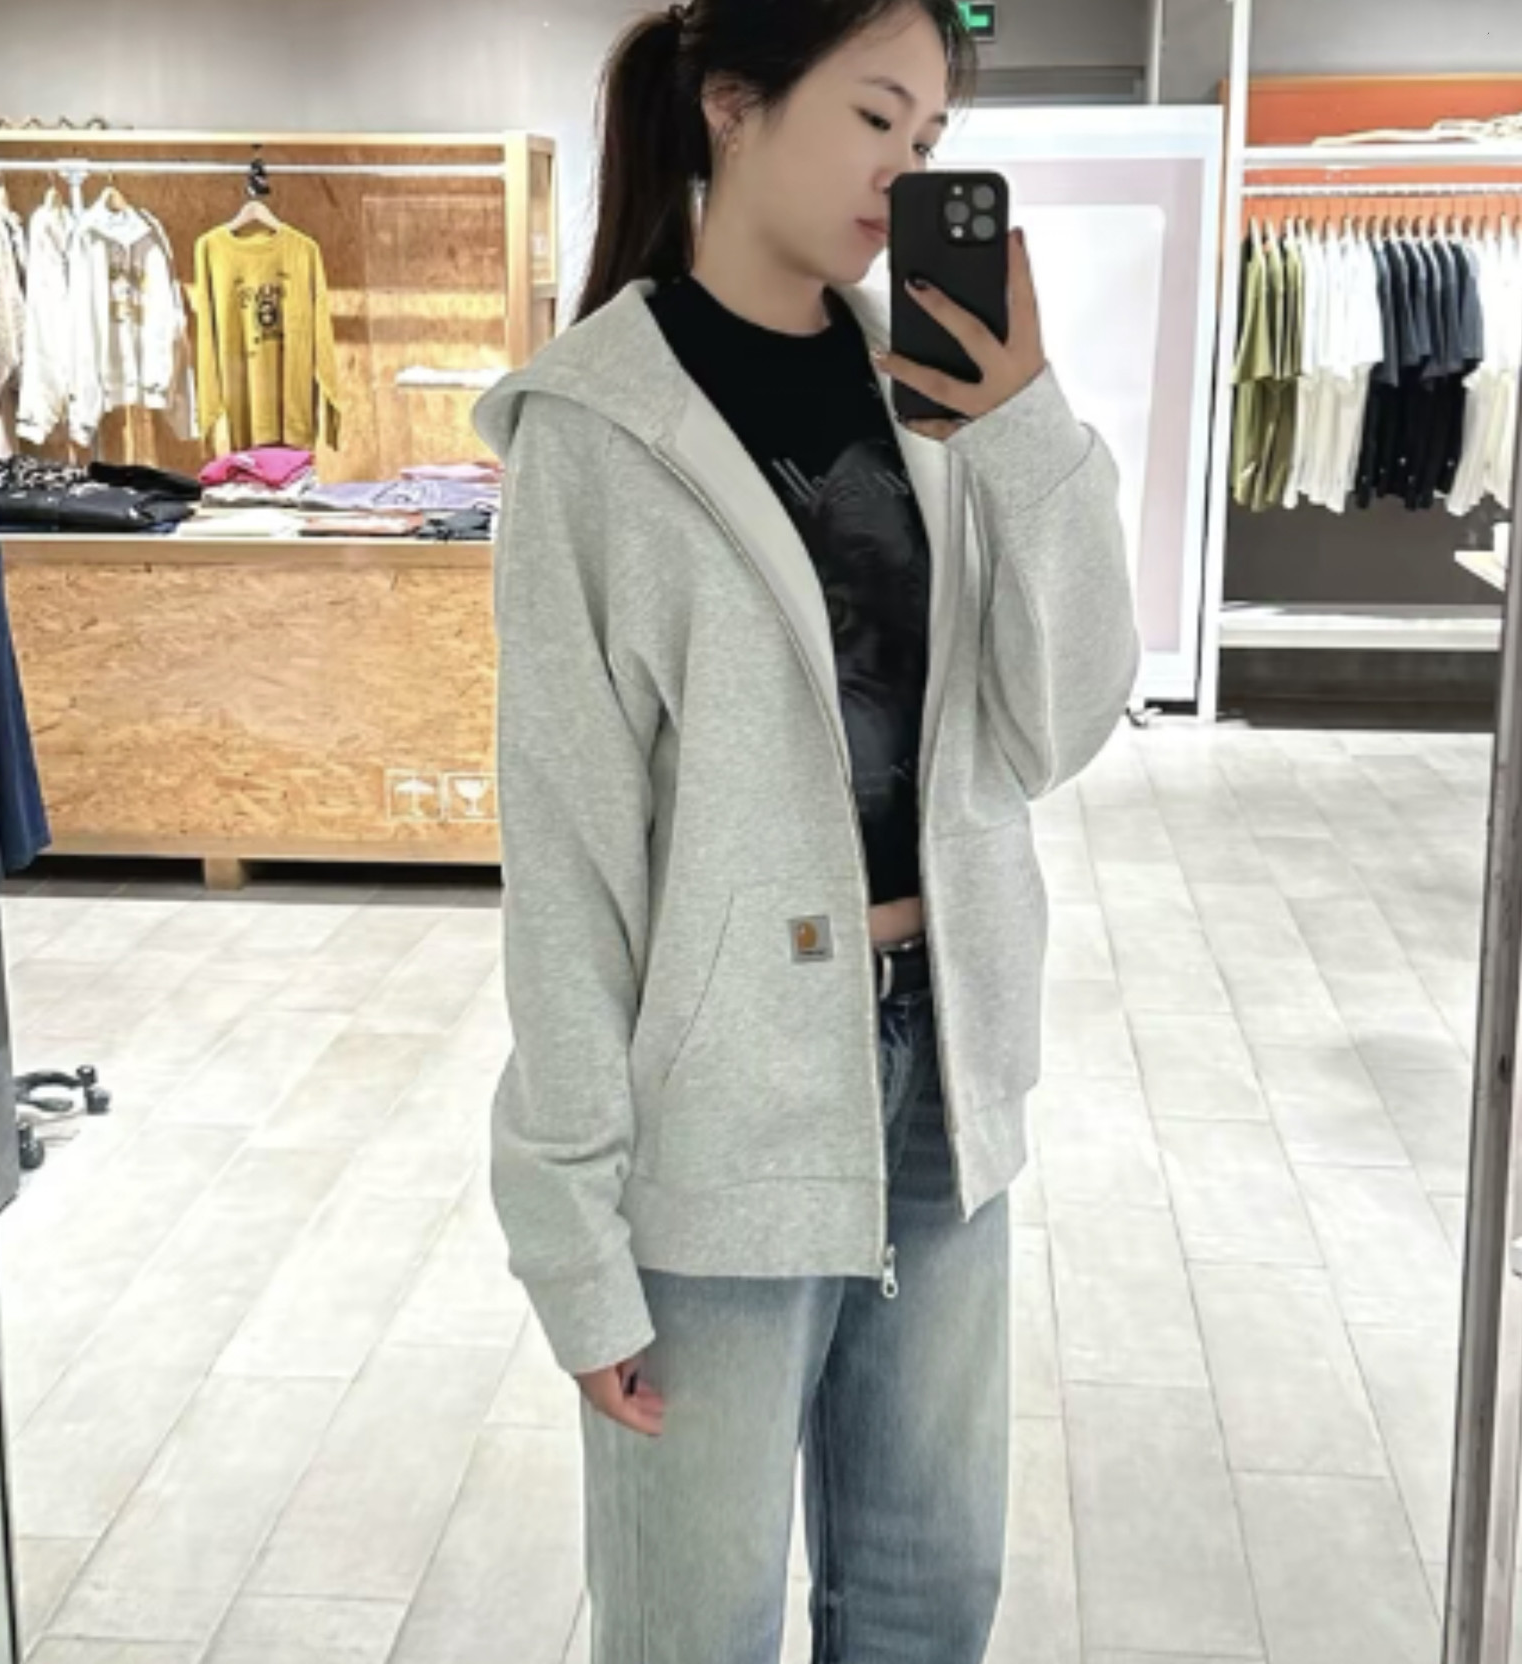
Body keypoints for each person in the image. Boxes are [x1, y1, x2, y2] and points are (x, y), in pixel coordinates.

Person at [472, 1, 1140, 1657]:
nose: (903, 171)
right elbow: (567, 864)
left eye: (930, 141)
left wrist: (1029, 427)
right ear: (732, 105)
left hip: (947, 1078)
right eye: (873, 118)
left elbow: (1060, 726)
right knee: (692, 1619)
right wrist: (570, 1234)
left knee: (930, 1597)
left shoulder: (941, 397)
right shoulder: (594, 433)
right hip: (718, 1111)